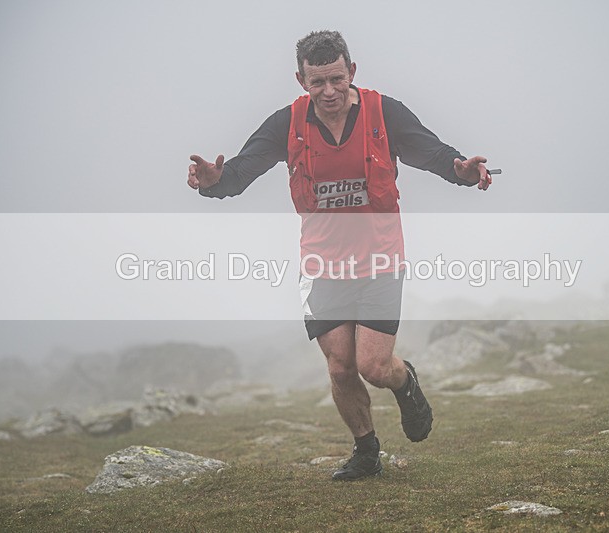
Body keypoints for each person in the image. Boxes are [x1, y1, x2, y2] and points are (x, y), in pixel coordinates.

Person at [187, 30, 493, 481]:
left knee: (372, 365)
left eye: (336, 79)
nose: (329, 91)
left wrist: (462, 171)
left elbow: (432, 152)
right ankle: (367, 452)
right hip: (322, 264)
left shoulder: (383, 112)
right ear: (301, 80)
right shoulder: (286, 125)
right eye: (317, 83)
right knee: (341, 367)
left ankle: (405, 381)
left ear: (352, 71)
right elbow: (239, 172)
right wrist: (215, 181)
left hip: (380, 258)